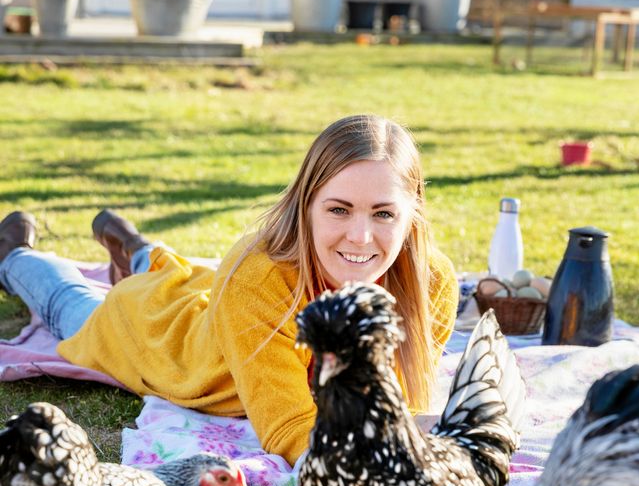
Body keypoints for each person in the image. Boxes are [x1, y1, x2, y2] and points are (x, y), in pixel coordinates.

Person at [0, 114, 458, 468]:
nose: (360, 237)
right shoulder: (257, 277)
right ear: (306, 207)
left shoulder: (430, 283)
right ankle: (14, 255)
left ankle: (135, 248)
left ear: (412, 213)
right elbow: (294, 427)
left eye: (383, 214)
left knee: (174, 279)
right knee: (77, 309)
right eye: (339, 210)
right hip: (163, 344)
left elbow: (397, 401)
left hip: (204, 301)